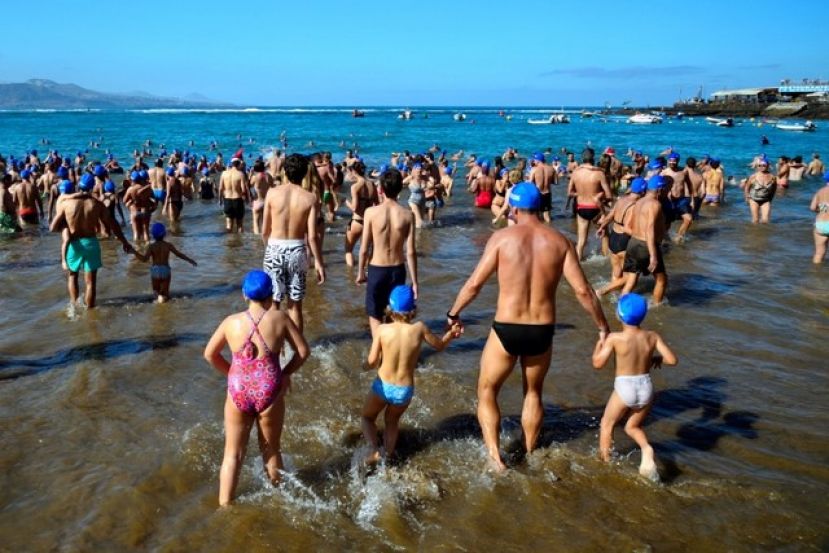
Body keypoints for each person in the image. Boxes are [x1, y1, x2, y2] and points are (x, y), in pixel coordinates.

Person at [446, 182, 610, 471]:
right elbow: (584, 291)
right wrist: (602, 327)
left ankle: (495, 458)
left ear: (515, 207)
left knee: (487, 390)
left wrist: (453, 313)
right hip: (542, 330)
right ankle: (531, 453)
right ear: (540, 206)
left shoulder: (501, 238)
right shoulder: (561, 241)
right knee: (533, 393)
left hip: (507, 327)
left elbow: (474, 284)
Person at [203, 270, 310, 506]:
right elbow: (303, 352)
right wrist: (285, 374)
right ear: (271, 297)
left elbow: (209, 354)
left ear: (244, 295)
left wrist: (230, 372)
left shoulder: (231, 322)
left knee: (232, 454)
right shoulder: (280, 318)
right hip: (269, 388)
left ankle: (225, 506)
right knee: (271, 450)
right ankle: (279, 502)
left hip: (238, 388)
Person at [361, 285, 460, 464]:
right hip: (404, 390)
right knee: (391, 422)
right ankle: (387, 456)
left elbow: (372, 361)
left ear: (390, 309)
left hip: (382, 386)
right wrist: (451, 334)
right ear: (412, 310)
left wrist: (363, 366)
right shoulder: (419, 329)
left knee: (367, 417)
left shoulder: (383, 330)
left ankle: (374, 449)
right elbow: (439, 345)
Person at [592, 293, 677, 480]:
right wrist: (655, 358)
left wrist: (599, 345)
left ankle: (605, 464)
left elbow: (598, 364)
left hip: (625, 388)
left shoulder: (615, 338)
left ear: (619, 315)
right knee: (632, 426)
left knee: (607, 423)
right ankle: (647, 448)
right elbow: (672, 360)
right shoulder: (652, 336)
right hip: (646, 387)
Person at [49, 173, 134, 308]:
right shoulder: (97, 204)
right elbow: (113, 224)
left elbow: (52, 228)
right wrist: (125, 242)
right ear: (91, 187)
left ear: (79, 186)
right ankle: (90, 311)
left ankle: (74, 306)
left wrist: (66, 226)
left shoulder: (67, 204)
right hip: (91, 244)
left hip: (74, 244)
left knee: (72, 277)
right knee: (91, 282)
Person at [261, 154, 325, 333]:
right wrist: (319, 263)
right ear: (305, 173)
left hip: (275, 247)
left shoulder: (272, 193)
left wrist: (270, 249)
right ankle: (297, 349)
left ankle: (276, 348)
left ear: (284, 172)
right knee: (295, 306)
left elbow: (264, 230)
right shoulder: (310, 198)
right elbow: (312, 237)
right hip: (297, 250)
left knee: (274, 304)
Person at [357, 168, 419, 337]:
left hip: (377, 269)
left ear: (381, 190)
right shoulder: (408, 215)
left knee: (375, 314)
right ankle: (393, 353)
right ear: (400, 189)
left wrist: (360, 272)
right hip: (397, 270)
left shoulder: (371, 212)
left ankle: (379, 355)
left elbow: (364, 248)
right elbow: (411, 252)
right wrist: (414, 282)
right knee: (395, 315)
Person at [621, 175, 668, 305]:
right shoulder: (655, 204)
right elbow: (650, 229)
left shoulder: (639, 202)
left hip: (633, 243)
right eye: (664, 188)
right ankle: (657, 306)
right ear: (659, 190)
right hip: (645, 245)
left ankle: (621, 306)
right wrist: (653, 255)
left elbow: (631, 225)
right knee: (661, 279)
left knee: (632, 280)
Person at [596, 177, 646, 297]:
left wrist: (602, 227)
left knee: (616, 272)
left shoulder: (621, 200)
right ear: (643, 191)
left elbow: (609, 216)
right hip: (624, 240)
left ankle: (613, 297)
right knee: (630, 276)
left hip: (613, 237)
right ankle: (602, 291)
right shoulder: (635, 206)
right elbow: (627, 229)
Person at [133, 222, 197, 303]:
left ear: (152, 234)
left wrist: (135, 252)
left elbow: (145, 259)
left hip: (155, 270)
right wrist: (189, 260)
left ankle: (158, 300)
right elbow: (178, 254)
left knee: (156, 291)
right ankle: (164, 300)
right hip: (165, 270)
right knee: (166, 294)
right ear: (164, 234)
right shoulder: (168, 245)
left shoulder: (152, 246)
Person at [569, 148, 613, 259]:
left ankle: (578, 262)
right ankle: (605, 258)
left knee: (581, 240)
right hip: (595, 208)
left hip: (581, 207)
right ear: (593, 158)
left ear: (582, 158)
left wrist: (580, 194)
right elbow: (609, 196)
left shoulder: (575, 172)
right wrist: (599, 197)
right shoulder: (599, 173)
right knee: (604, 235)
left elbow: (569, 193)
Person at [344, 160, 376, 266]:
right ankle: (366, 273)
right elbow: (377, 204)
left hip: (357, 221)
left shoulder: (355, 187)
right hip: (368, 222)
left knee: (348, 250)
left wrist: (345, 202)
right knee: (365, 251)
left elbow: (354, 208)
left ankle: (351, 276)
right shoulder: (372, 184)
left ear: (354, 171)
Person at [219, 155, 250, 233]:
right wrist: (246, 199)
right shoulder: (240, 174)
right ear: (239, 164)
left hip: (227, 200)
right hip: (238, 200)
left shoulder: (224, 173)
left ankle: (230, 242)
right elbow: (243, 190)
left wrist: (220, 200)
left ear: (231, 163)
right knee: (239, 224)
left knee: (229, 225)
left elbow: (220, 189)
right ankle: (240, 243)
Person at [743, 157, 777, 224]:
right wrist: (747, 197)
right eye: (759, 165)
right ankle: (754, 233)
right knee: (755, 220)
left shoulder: (773, 177)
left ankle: (763, 233)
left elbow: (774, 188)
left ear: (768, 166)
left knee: (765, 221)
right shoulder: (753, 176)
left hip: (766, 200)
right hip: (754, 200)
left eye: (764, 165)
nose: (761, 167)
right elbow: (747, 187)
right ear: (757, 166)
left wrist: (771, 199)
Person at [809, 171, 829, 264]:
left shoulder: (820, 191)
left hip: (821, 224)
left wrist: (823, 210)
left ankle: (816, 275)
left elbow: (812, 207)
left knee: (818, 253)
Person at [250, 160, 273, 234]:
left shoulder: (255, 177)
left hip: (258, 202)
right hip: (266, 202)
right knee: (264, 223)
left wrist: (250, 174)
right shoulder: (269, 176)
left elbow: (249, 185)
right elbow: (272, 187)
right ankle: (263, 239)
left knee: (256, 223)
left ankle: (256, 241)